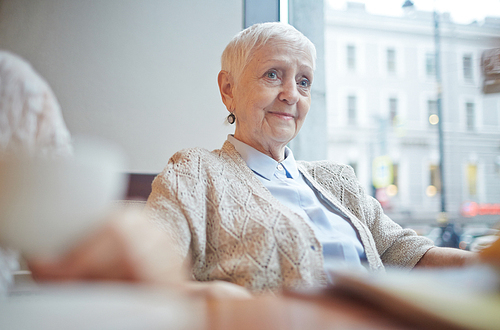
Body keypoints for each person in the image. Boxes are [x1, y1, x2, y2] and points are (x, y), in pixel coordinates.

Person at [31, 23, 475, 295]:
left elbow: (406, 253)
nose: (291, 94)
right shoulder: (196, 170)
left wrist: (480, 263)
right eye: (272, 75)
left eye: (303, 82)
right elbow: (158, 249)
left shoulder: (337, 179)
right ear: (228, 89)